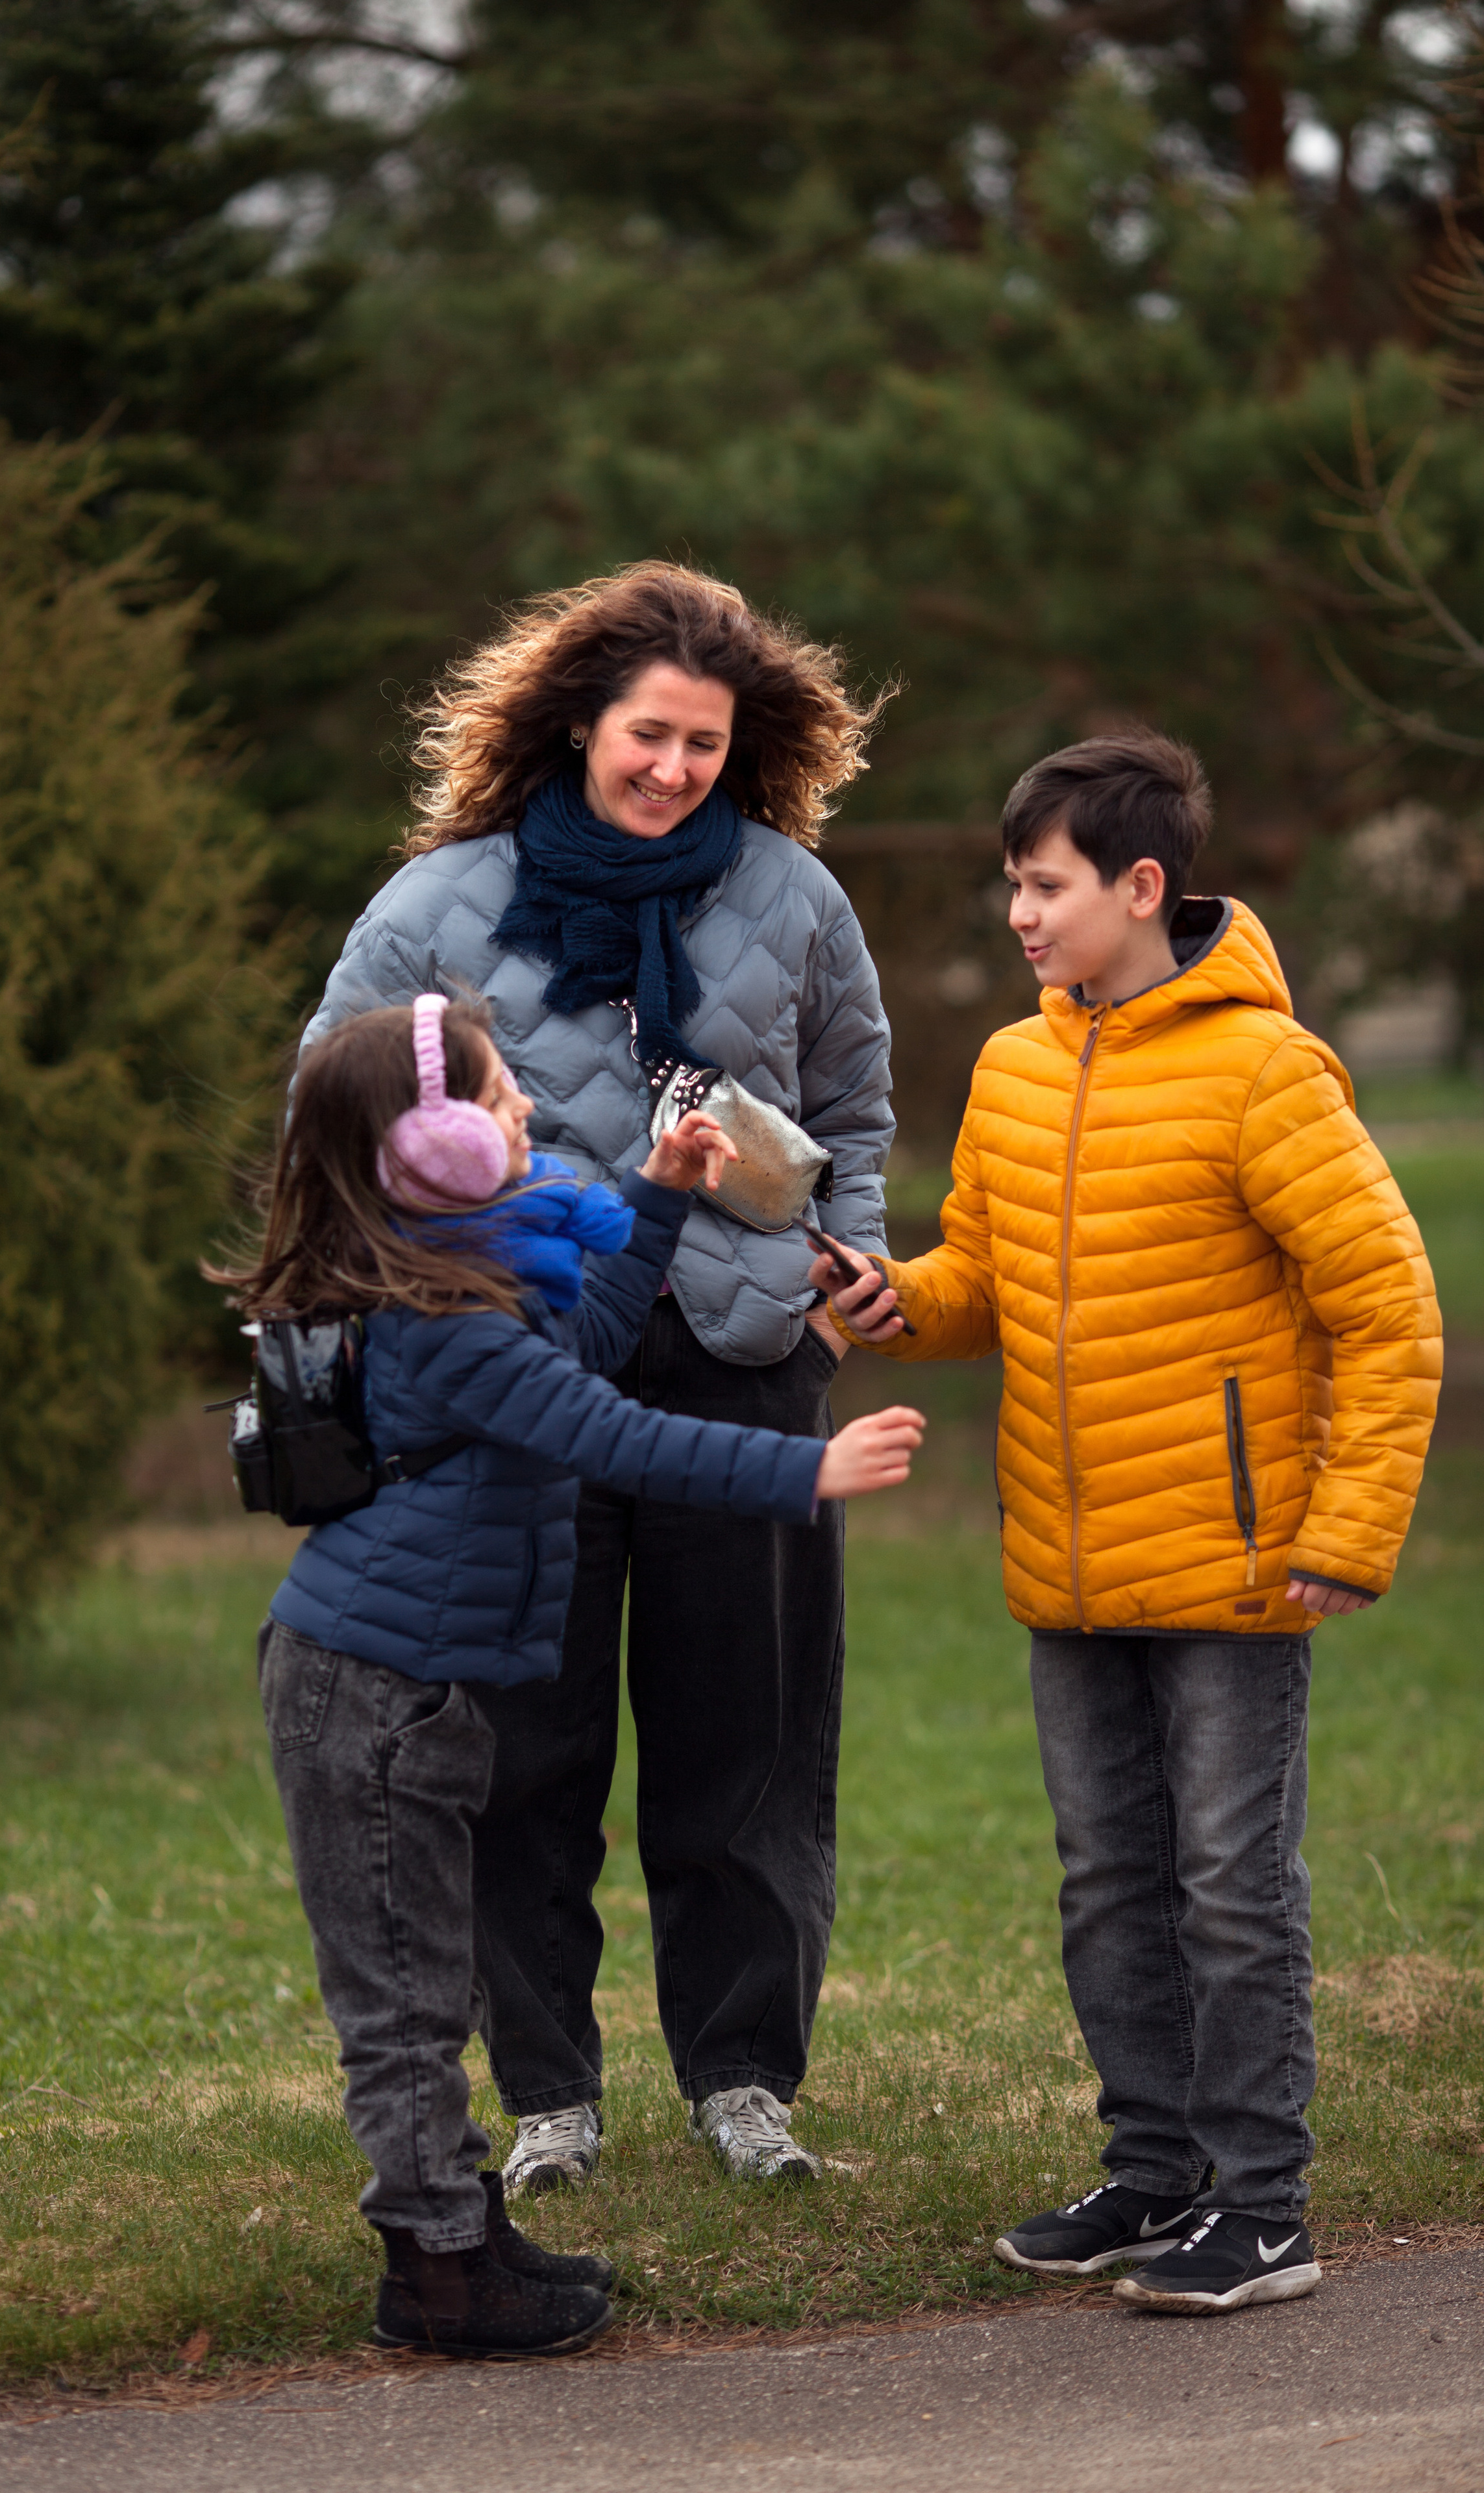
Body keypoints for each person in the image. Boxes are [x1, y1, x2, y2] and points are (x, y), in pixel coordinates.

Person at [815, 728, 1441, 2316]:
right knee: (1106, 1882)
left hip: (1235, 1564)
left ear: (1138, 886)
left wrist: (1346, 1526)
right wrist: (898, 1301)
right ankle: (1152, 2174)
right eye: (1011, 885)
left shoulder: (1262, 1072)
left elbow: (1388, 1309)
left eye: (1043, 886)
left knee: (1231, 1883)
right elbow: (987, 1284)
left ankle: (1261, 2204)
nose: (1016, 915)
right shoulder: (1017, 1071)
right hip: (1069, 1561)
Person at [208, 993, 923, 2359]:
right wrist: (803, 1467)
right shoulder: (444, 1318)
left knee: (414, 1985)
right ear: (430, 1147)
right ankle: (438, 2273)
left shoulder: (461, 1275)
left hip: (400, 1689)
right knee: (406, 2002)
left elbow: (587, 1345)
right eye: (495, 1098)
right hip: (366, 1696)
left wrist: (654, 1199)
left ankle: (453, 2239)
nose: (526, 1111)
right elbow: (608, 1427)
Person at [301, 562, 895, 2190]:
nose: (673, 770)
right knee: (522, 1750)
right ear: (578, 722)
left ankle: (743, 2084)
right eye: (648, 734)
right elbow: (330, 1109)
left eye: (704, 743)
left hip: (744, 1365)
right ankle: (549, 2094)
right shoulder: (432, 909)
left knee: (749, 1745)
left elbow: (851, 1103)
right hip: (521, 1386)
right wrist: (442, 1279)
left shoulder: (792, 896)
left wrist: (842, 1267)